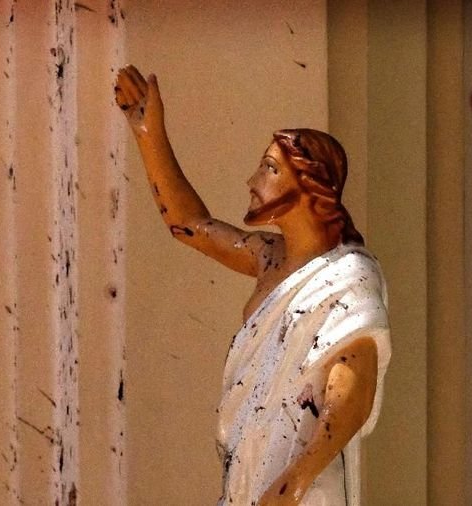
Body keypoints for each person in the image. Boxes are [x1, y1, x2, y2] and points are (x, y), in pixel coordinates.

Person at [114, 65, 391, 506]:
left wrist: (294, 482)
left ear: (309, 184)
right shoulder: (267, 257)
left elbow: (351, 396)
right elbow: (190, 224)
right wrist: (149, 133)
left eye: (269, 169)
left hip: (302, 487)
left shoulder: (347, 277)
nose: (252, 182)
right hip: (248, 469)